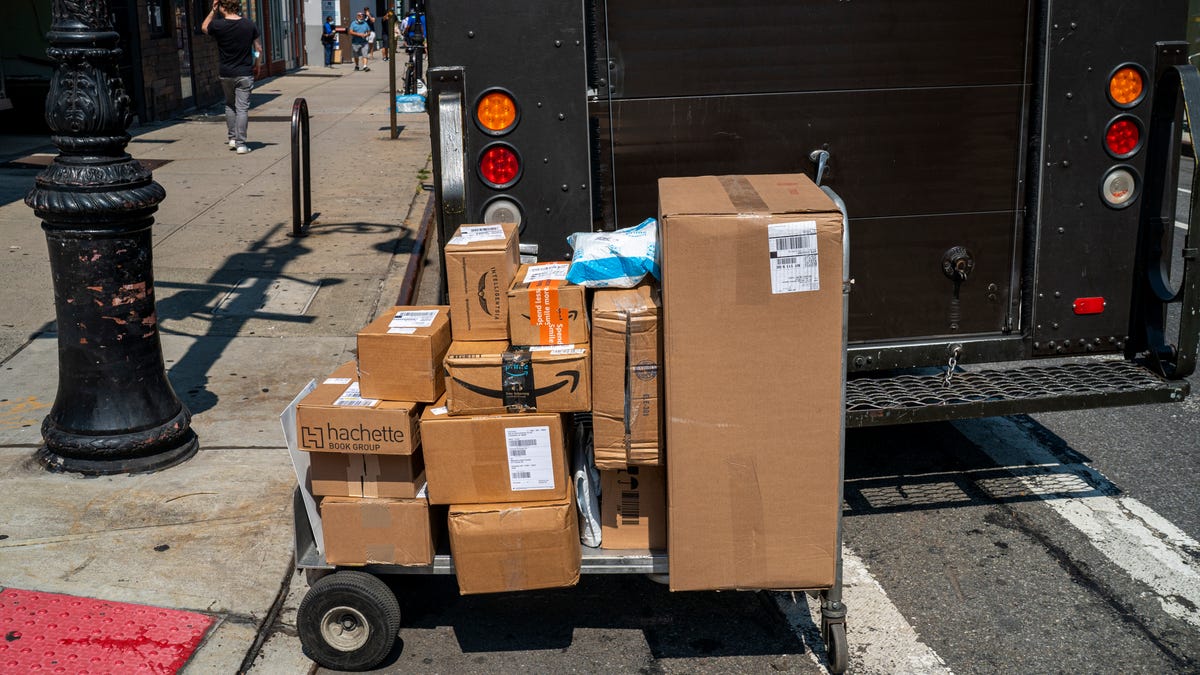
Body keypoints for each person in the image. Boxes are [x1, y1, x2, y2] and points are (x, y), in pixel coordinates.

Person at [202, 0, 262, 155]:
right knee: (242, 108)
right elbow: (258, 49)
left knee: (230, 105)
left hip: (226, 73)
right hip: (244, 73)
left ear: (222, 7)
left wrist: (213, 11)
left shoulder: (218, 25)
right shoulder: (249, 25)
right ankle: (241, 144)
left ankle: (232, 138)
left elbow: (204, 27)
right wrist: (257, 64)